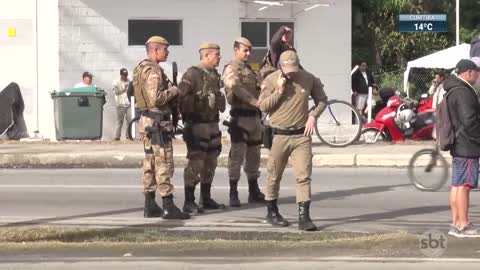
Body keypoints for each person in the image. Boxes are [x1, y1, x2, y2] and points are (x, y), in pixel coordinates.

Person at [258, 51, 328, 231]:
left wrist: (313, 116)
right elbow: (263, 105)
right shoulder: (272, 80)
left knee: (303, 176)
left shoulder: (308, 78)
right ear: (280, 66)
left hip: (301, 136)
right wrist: (279, 91)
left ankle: (304, 217)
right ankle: (271, 211)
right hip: (279, 135)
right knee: (274, 174)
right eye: (287, 69)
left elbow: (322, 100)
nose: (291, 73)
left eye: (293, 69)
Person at [132, 35, 189, 220]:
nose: (168, 52)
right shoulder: (153, 71)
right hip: (156, 123)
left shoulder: (141, 68)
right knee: (163, 162)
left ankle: (150, 204)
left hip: (148, 121)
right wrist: (174, 90)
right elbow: (156, 98)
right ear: (155, 50)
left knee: (150, 162)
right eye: (165, 49)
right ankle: (168, 205)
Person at [178, 42, 226, 214]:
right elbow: (180, 96)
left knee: (211, 162)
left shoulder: (213, 74)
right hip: (197, 125)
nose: (219, 57)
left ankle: (205, 198)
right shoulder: (193, 74)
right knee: (195, 163)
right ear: (206, 55)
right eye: (216, 54)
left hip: (212, 124)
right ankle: (189, 201)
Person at [223, 37, 265, 207]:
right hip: (240, 119)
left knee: (254, 155)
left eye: (249, 50)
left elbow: (261, 87)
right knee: (237, 156)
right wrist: (255, 101)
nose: (248, 53)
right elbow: (236, 89)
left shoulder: (251, 69)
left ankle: (253, 190)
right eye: (244, 50)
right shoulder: (230, 69)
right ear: (236, 50)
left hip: (254, 118)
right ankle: (233, 192)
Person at [443, 59, 480, 237]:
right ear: (468, 72)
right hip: (468, 145)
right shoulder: (463, 92)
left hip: (458, 144)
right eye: (477, 72)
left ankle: (456, 223)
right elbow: (469, 121)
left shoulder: (452, 90)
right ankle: (464, 225)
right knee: (464, 185)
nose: (478, 76)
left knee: (457, 185)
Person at [112, 68, 131, 140]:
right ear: (121, 75)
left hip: (128, 104)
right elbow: (116, 92)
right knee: (120, 121)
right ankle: (117, 137)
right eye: (124, 75)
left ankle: (128, 136)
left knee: (129, 121)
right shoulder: (116, 82)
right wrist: (124, 88)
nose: (125, 77)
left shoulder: (129, 81)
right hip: (120, 104)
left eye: (126, 75)